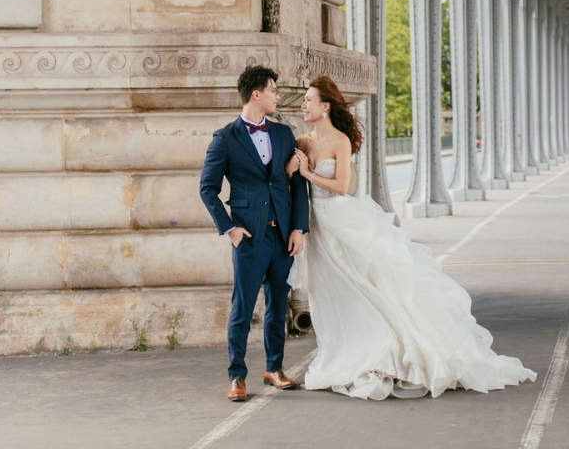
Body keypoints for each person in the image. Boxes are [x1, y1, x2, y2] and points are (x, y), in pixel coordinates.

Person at [288, 75, 537, 400]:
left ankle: (377, 352)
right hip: (316, 226)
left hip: (341, 219)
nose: (303, 104)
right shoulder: (302, 140)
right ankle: (340, 350)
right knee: (328, 291)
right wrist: (293, 170)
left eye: (309, 99)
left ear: (325, 106)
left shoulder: (339, 141)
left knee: (362, 286)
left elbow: (342, 187)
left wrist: (307, 172)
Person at [199, 65, 310, 403]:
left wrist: (298, 227)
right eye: (273, 89)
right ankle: (236, 376)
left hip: (282, 237)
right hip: (248, 238)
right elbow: (208, 188)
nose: (278, 95)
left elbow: (297, 183)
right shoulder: (225, 138)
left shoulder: (283, 134)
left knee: (279, 306)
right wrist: (230, 229)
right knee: (243, 310)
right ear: (256, 94)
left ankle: (274, 368)